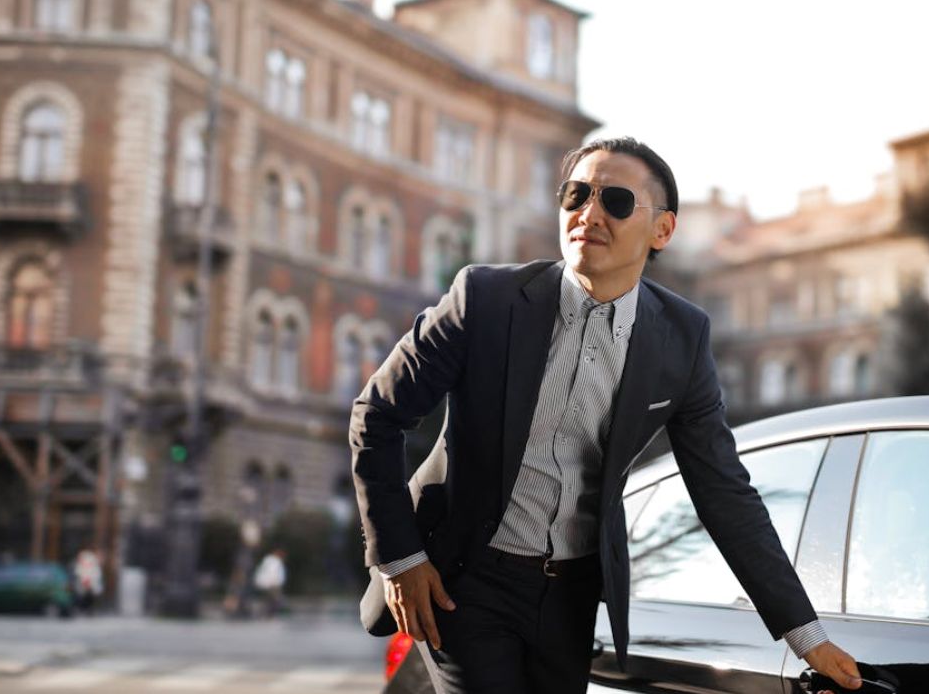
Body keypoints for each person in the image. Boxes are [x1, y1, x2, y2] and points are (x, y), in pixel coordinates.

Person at [350, 137, 862, 693]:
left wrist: (805, 636)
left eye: (616, 201)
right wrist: (399, 557)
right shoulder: (485, 299)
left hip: (571, 597)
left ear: (662, 230)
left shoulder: (682, 340)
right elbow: (376, 416)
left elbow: (724, 491)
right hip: (466, 582)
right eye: (576, 196)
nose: (589, 214)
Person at [252, 548, 286, 618]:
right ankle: (268, 613)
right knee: (275, 599)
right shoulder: (274, 561)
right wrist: (274, 583)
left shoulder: (268, 560)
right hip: (271, 584)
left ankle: (267, 613)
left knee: (270, 600)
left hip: (267, 583)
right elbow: (272, 573)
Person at [72, 548, 102, 615]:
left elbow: (96, 577)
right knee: (81, 596)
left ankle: (88, 609)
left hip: (90, 587)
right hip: (82, 587)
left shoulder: (93, 566)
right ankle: (82, 609)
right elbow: (78, 574)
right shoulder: (80, 566)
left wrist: (90, 583)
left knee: (89, 596)